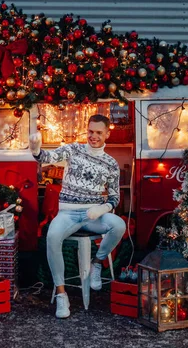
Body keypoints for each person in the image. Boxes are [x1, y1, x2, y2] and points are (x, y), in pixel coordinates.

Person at [30, 114, 126, 318]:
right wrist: (36, 149)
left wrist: (101, 209)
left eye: (99, 132)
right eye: (91, 131)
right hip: (68, 213)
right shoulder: (73, 149)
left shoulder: (111, 164)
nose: (93, 136)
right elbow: (48, 158)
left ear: (107, 134)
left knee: (118, 225)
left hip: (93, 214)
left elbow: (115, 197)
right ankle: (61, 294)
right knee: (53, 236)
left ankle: (97, 263)